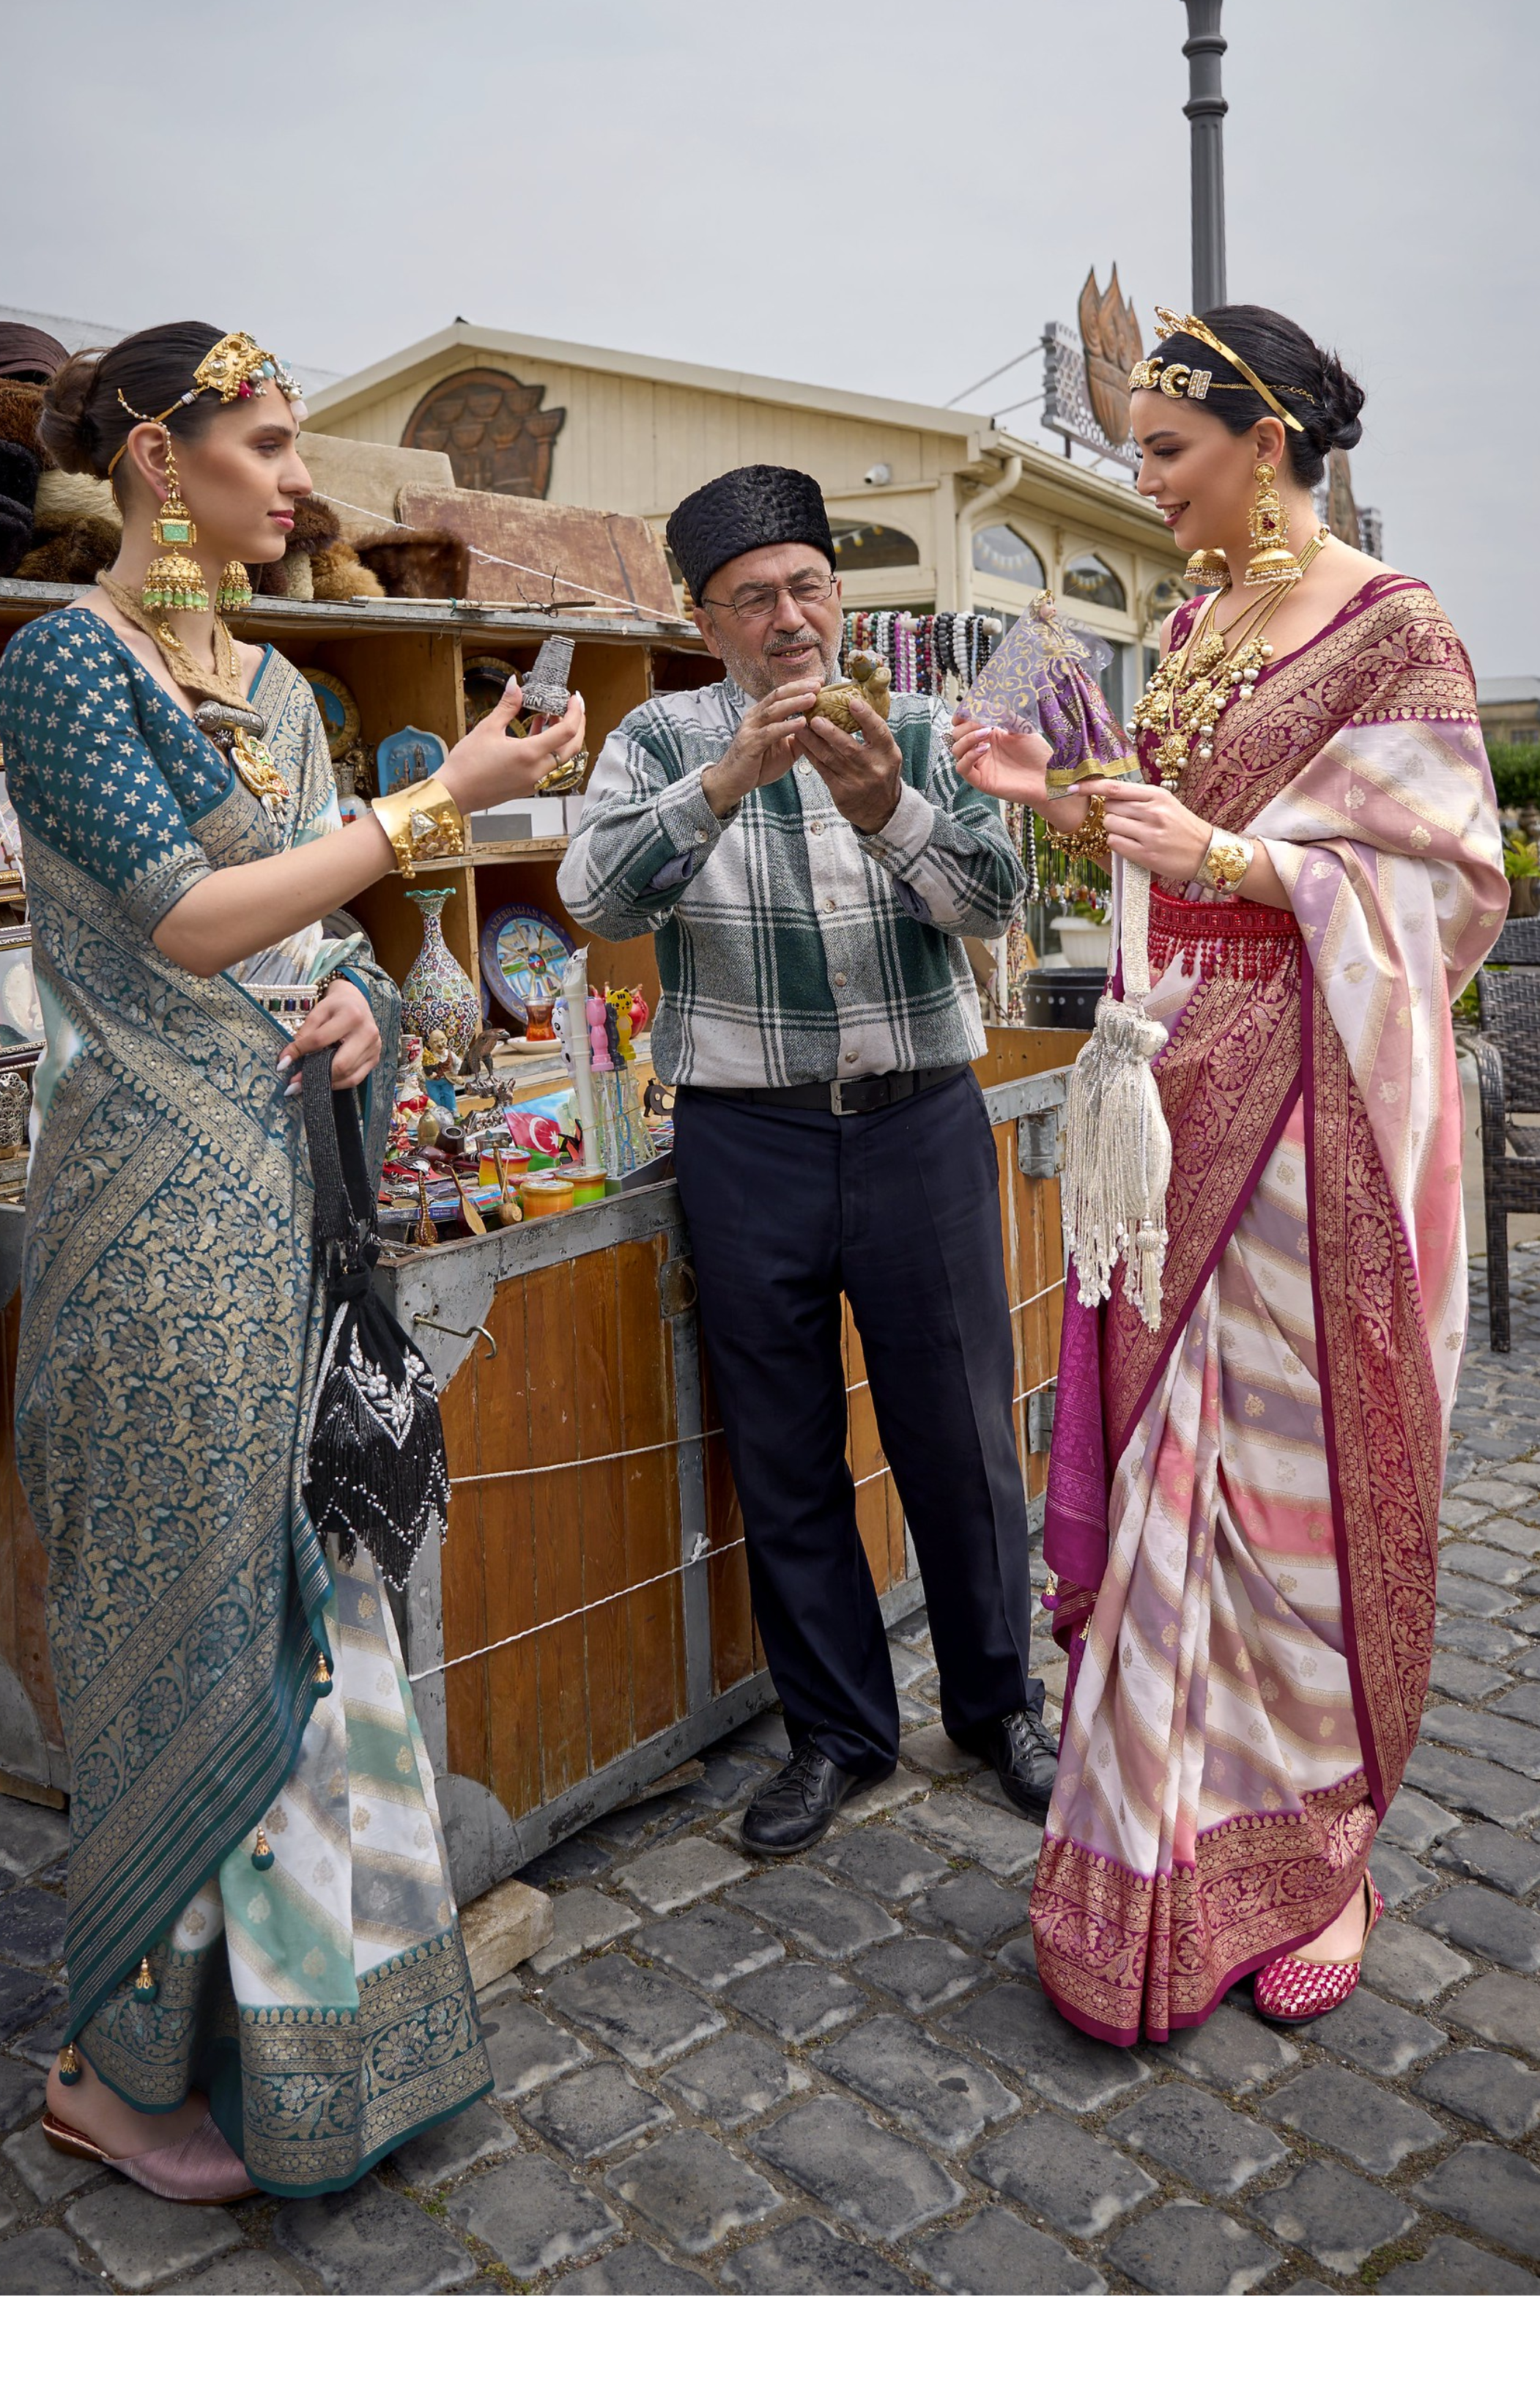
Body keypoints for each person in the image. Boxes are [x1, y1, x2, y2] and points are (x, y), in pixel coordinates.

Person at [0, 322, 584, 2199]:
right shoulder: (58, 665)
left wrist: (354, 1010)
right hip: (146, 1234)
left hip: (285, 1217)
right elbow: (179, 920)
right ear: (161, 460)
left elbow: (295, 943)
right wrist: (441, 807)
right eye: (263, 443)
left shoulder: (279, 687)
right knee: (175, 1637)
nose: (296, 479)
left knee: (314, 1639)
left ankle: (307, 2058)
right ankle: (110, 2063)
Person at [954, 306, 1505, 2045]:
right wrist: (1060, 799)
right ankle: (1154, 1838)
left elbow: (1446, 885)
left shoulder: (1388, 628)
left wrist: (1238, 860)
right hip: (1168, 1082)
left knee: (1280, 1492)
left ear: (1261, 441)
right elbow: (1167, 836)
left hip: (1311, 1106)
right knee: (1162, 1478)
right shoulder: (1190, 619)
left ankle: (1322, 1848)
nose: (1144, 484)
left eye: (1164, 452)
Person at [558, 464, 1056, 1855]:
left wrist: (891, 806)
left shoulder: (918, 726)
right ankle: (839, 1733)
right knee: (781, 1450)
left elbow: (996, 904)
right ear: (704, 619)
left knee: (959, 1438)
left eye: (809, 586)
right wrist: (726, 783)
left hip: (920, 1121)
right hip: (747, 1137)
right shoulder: (660, 739)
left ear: (839, 594)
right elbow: (593, 896)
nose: (790, 618)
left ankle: (995, 1703)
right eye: (753, 598)